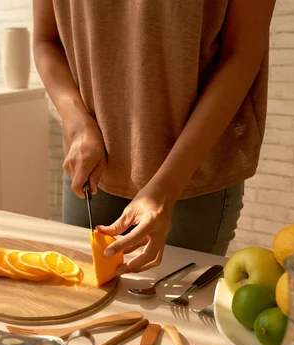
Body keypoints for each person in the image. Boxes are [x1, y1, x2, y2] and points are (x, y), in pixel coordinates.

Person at [32, 1, 276, 274]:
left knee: (174, 311)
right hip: (92, 167)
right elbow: (46, 41)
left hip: (191, 173)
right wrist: (78, 125)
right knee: (79, 297)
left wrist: (166, 190)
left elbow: (242, 53)